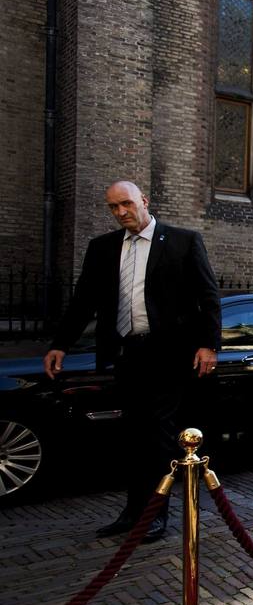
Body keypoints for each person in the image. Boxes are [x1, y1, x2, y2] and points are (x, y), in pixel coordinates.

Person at [45, 180, 220, 542]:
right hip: (126, 354)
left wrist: (208, 345)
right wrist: (60, 344)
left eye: (126, 204)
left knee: (158, 433)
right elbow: (83, 301)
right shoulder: (102, 248)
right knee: (133, 435)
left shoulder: (183, 241)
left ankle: (155, 515)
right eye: (113, 207)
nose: (121, 212)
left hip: (168, 354)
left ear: (144, 200)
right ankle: (132, 512)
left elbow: (208, 295)